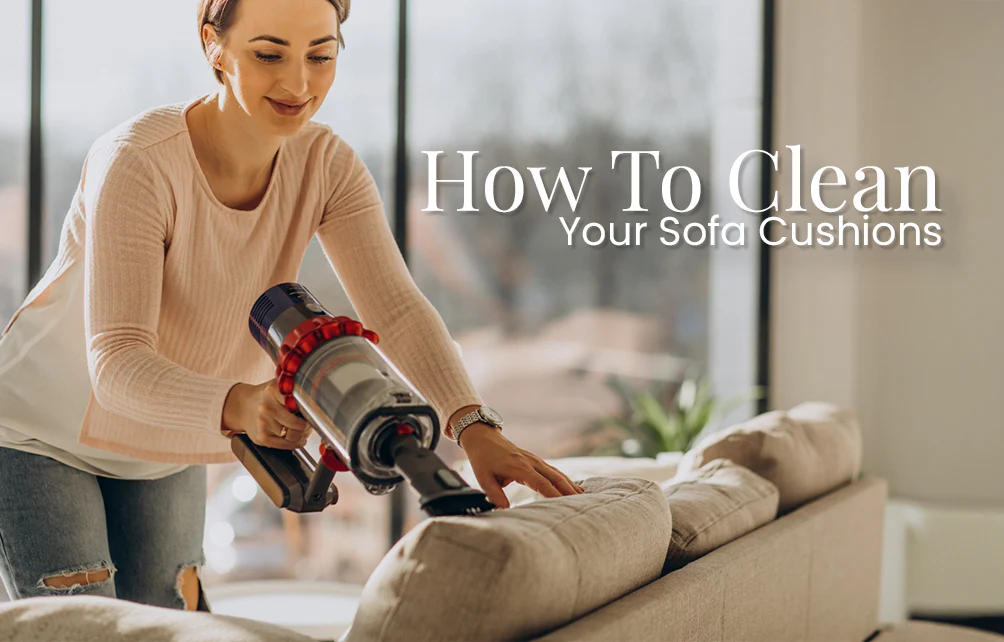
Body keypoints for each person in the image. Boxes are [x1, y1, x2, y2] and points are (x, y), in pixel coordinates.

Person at [0, 0, 582, 612]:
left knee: (170, 626)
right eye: (269, 54)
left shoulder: (326, 166)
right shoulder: (139, 162)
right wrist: (241, 402)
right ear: (213, 46)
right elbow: (116, 362)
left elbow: (399, 310)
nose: (298, 83)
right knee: (87, 625)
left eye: (321, 56)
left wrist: (473, 426)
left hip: (168, 435)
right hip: (43, 432)